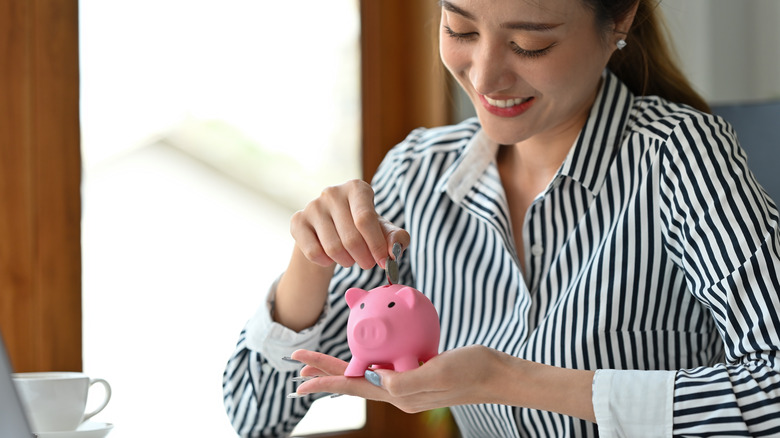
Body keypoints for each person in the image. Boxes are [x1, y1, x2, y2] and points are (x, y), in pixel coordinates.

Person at [223, 0, 780, 436]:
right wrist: (311, 261)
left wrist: (508, 380)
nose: (485, 79)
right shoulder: (419, 172)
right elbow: (255, 414)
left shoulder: (677, 155)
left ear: (620, 19)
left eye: (529, 44)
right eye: (461, 30)